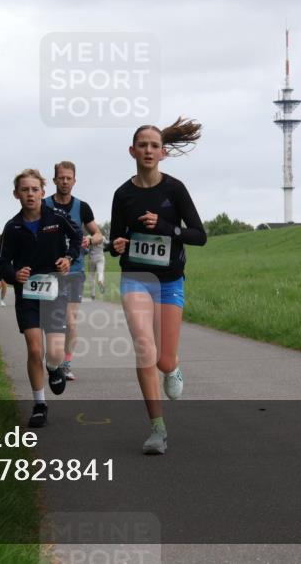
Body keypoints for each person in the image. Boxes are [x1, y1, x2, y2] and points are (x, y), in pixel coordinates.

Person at [109, 117, 206, 455]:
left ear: (163, 153)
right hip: (135, 277)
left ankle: (173, 367)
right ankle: (157, 429)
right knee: (144, 349)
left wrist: (166, 226)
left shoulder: (174, 189)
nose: (148, 150)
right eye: (142, 145)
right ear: (132, 150)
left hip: (169, 281)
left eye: (154, 145)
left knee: (163, 360)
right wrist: (116, 245)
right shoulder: (123, 194)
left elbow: (199, 235)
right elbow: (115, 239)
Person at [0, 169, 81, 427]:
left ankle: (55, 368)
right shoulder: (12, 227)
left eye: (35, 189)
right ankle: (39, 404)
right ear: (16, 194)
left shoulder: (57, 217)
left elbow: (77, 237)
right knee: (35, 349)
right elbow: (1, 264)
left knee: (54, 352)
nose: (30, 194)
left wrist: (68, 258)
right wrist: (14, 275)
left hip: (55, 292)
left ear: (43, 193)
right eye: (25, 190)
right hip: (28, 296)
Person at [45, 161, 103, 381]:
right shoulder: (45, 205)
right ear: (54, 180)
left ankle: (66, 363)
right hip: (49, 272)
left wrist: (90, 238)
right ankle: (53, 356)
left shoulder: (82, 207)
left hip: (75, 270)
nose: (65, 181)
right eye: (61, 178)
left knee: (70, 321)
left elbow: (98, 235)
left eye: (69, 178)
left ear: (74, 181)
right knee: (51, 320)